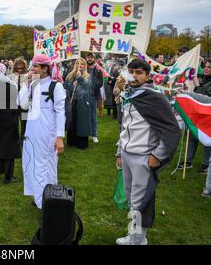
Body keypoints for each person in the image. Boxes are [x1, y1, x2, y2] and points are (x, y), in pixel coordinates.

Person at [115, 59, 181, 245]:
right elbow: (125, 127)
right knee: (130, 197)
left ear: (147, 75)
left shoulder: (154, 97)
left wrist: (158, 155)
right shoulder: (129, 95)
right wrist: (119, 152)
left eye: (138, 72)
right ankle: (135, 236)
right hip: (128, 156)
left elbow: (172, 130)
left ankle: (137, 240)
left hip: (143, 157)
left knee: (139, 201)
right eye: (131, 72)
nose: (134, 76)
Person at [18, 54, 66, 209]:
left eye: (36, 66)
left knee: (46, 168)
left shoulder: (56, 86)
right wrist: (26, 83)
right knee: (31, 165)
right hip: (31, 133)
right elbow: (23, 104)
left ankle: (48, 201)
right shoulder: (33, 84)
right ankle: (39, 197)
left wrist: (59, 137)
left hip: (47, 135)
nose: (32, 69)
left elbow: (60, 112)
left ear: (45, 69)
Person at [0, 63, 20, 184]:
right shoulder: (9, 84)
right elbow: (15, 103)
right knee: (8, 147)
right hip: (6, 119)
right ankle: (7, 175)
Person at [179, 58, 211, 173]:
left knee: (208, 141)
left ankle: (206, 164)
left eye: (209, 67)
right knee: (192, 137)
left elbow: (205, 98)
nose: (206, 69)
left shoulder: (201, 82)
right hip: (197, 114)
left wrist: (197, 85)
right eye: (206, 66)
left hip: (208, 117)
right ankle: (187, 161)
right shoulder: (201, 79)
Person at [64, 58, 92, 150]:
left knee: (81, 122)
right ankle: (71, 141)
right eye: (78, 64)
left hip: (82, 102)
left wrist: (80, 78)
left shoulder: (87, 76)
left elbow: (87, 87)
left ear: (85, 66)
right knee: (72, 122)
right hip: (72, 102)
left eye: (82, 64)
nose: (80, 65)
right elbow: (66, 86)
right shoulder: (70, 75)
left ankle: (81, 143)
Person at [8, 57, 28, 142]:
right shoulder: (11, 76)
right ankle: (15, 141)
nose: (19, 70)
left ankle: (23, 141)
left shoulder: (28, 76)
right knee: (14, 123)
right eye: (17, 68)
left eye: (21, 68)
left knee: (24, 123)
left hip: (24, 105)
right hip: (14, 104)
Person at [86, 52, 103, 143]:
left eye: (91, 57)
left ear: (94, 59)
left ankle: (94, 135)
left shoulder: (98, 70)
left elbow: (100, 84)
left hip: (93, 95)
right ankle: (86, 133)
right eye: (88, 57)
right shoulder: (83, 69)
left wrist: (92, 84)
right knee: (84, 115)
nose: (89, 59)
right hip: (83, 95)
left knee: (93, 116)